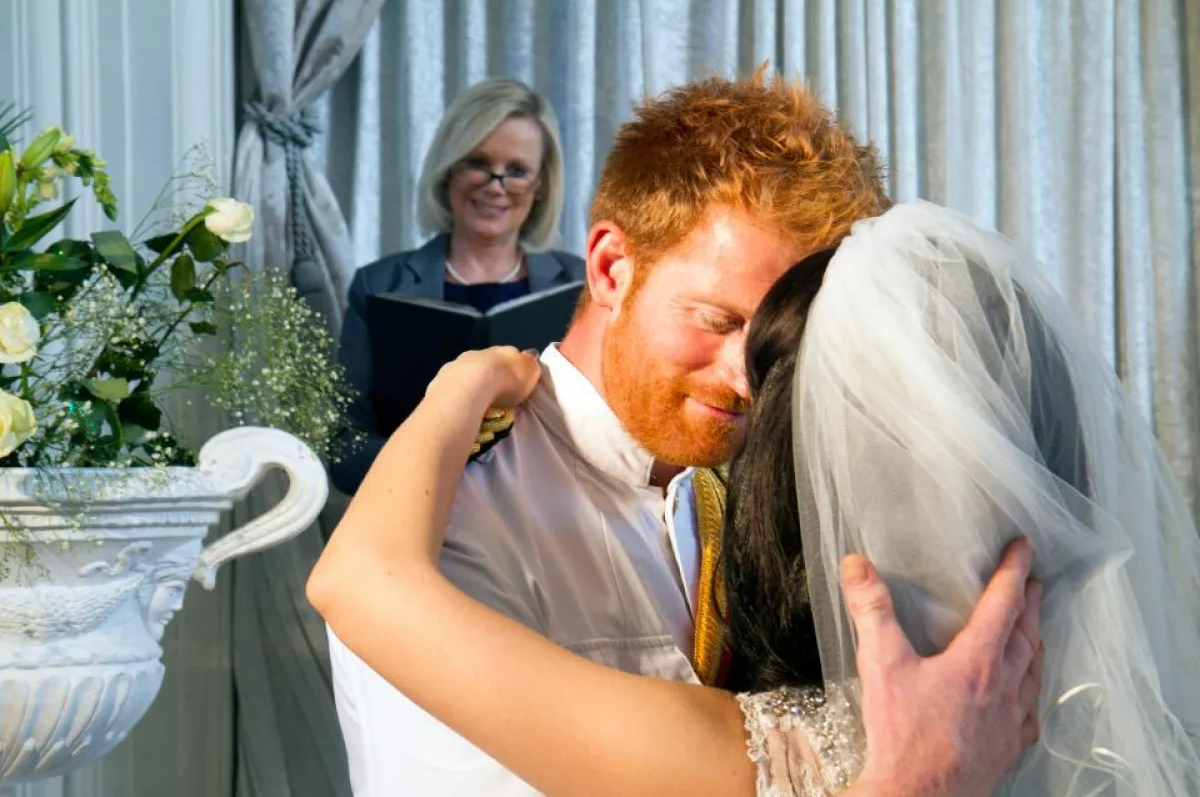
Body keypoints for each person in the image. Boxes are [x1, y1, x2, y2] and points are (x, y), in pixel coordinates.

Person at [311, 201, 1200, 795]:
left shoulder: (768, 745)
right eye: (716, 319)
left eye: (771, 367)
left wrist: (459, 386)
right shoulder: (1059, 673)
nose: (742, 383)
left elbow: (358, 582)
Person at [318, 70, 1045, 795]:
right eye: (717, 320)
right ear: (610, 268)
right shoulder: (455, 518)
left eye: (782, 348)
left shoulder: (768, 493)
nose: (746, 380)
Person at [331, 77, 584, 495]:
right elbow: (344, 446)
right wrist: (422, 466)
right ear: (449, 168)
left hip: (548, 512)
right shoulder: (377, 286)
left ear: (540, 185)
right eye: (479, 163)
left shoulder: (581, 285)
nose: (495, 186)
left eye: (517, 171)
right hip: (421, 508)